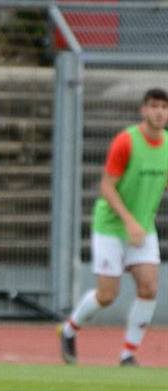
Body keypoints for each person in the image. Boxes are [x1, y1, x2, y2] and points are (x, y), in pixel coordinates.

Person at [59, 88, 168, 367]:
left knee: (149, 287)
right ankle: (69, 329)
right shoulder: (126, 141)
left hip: (143, 229)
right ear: (143, 110)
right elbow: (106, 187)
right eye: (154, 106)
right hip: (110, 227)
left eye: (164, 107)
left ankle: (128, 354)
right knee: (107, 295)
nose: (159, 112)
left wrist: (139, 222)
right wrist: (129, 221)